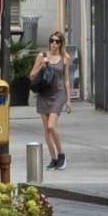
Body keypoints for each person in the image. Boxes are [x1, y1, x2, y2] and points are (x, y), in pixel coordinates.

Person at [30, 31, 69, 169]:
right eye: (52, 41)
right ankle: (53, 159)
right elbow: (32, 75)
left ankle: (61, 155)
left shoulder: (64, 58)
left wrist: (69, 100)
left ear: (61, 44)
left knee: (51, 126)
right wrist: (42, 64)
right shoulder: (42, 56)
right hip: (44, 94)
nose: (54, 44)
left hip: (58, 94)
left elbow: (66, 79)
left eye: (57, 41)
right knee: (46, 130)